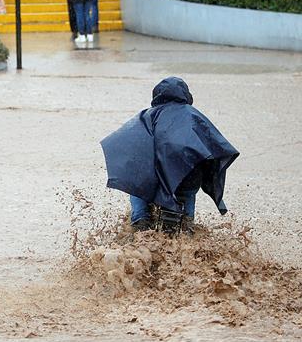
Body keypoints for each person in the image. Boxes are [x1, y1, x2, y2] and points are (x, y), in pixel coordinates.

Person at [100, 77, 239, 234]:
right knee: (186, 197)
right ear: (186, 95)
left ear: (157, 95)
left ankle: (140, 220)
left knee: (138, 186)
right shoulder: (196, 116)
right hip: (187, 174)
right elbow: (215, 146)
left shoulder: (149, 115)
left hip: (156, 174)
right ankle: (186, 227)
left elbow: (130, 143)